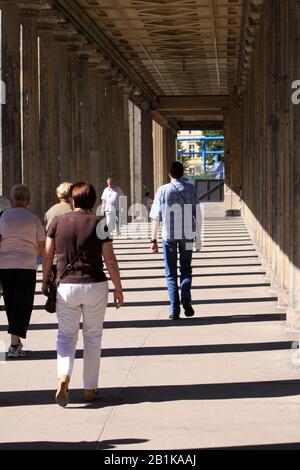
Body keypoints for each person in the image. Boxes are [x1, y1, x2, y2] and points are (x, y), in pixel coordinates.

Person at [43, 182, 124, 407]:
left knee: (66, 336)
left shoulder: (58, 222)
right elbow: (110, 260)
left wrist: (44, 280)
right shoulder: (100, 223)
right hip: (95, 286)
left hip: (65, 286)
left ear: (72, 201)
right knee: (93, 337)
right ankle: (90, 389)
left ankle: (63, 377)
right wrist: (118, 288)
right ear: (94, 201)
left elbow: (48, 255)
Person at [0, 184, 45, 357]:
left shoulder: (2, 217)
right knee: (23, 304)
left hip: (4, 266)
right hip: (26, 266)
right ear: (28, 200)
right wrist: (43, 260)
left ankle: (16, 341)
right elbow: (41, 245)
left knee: (11, 303)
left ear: (12, 200)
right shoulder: (33, 218)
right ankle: (13, 346)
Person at [150, 161, 197, 320]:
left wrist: (153, 240)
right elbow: (196, 213)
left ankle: (174, 310)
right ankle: (185, 295)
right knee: (186, 269)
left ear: (169, 173)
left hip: (168, 236)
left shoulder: (162, 190)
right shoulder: (190, 188)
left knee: (170, 274)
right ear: (182, 173)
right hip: (188, 235)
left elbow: (156, 217)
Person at [44, 182, 73, 278]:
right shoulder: (78, 210)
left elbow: (48, 237)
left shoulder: (50, 212)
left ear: (58, 194)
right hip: (76, 259)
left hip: (56, 260)